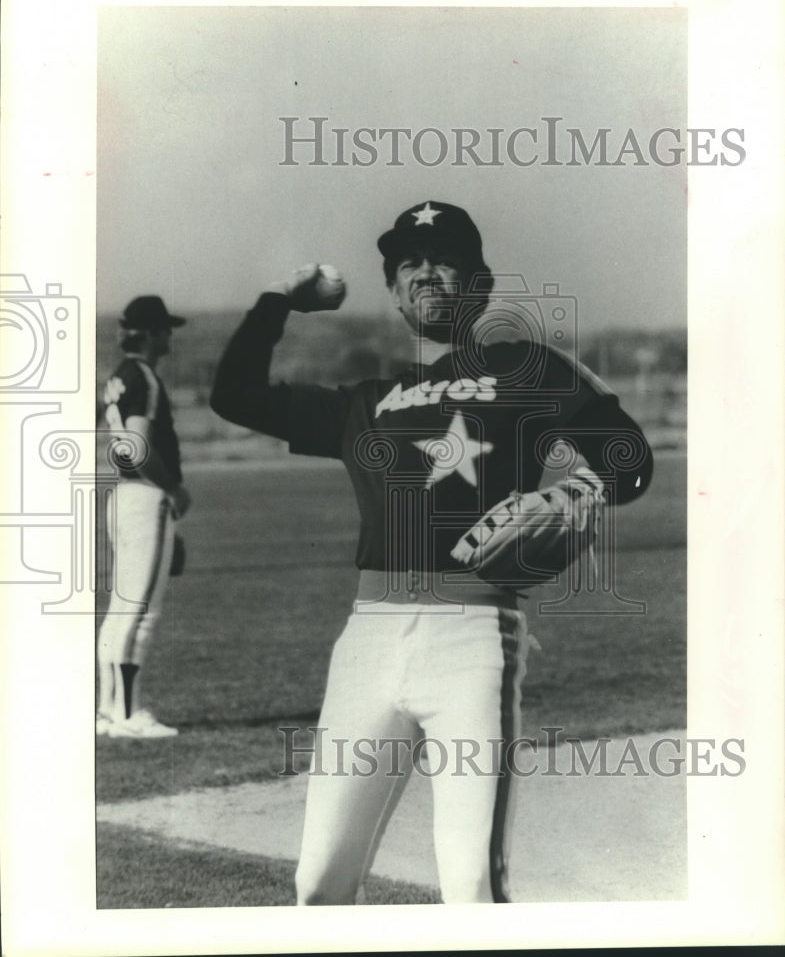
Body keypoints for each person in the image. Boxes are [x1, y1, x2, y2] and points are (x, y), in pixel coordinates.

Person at [210, 201, 653, 903]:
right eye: (407, 264)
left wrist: (575, 492)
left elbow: (629, 459)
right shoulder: (365, 401)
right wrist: (276, 302)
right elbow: (233, 395)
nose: (423, 273)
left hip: (473, 636)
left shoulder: (528, 368)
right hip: (368, 642)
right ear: (392, 292)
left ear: (478, 284)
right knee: (318, 880)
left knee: (470, 880)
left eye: (442, 260)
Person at [96, 295, 191, 738]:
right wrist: (171, 487)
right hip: (145, 495)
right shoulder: (145, 377)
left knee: (120, 610)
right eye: (165, 329)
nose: (170, 336)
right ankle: (130, 714)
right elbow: (136, 445)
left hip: (122, 494)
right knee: (140, 611)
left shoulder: (117, 377)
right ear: (151, 333)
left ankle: (108, 711)